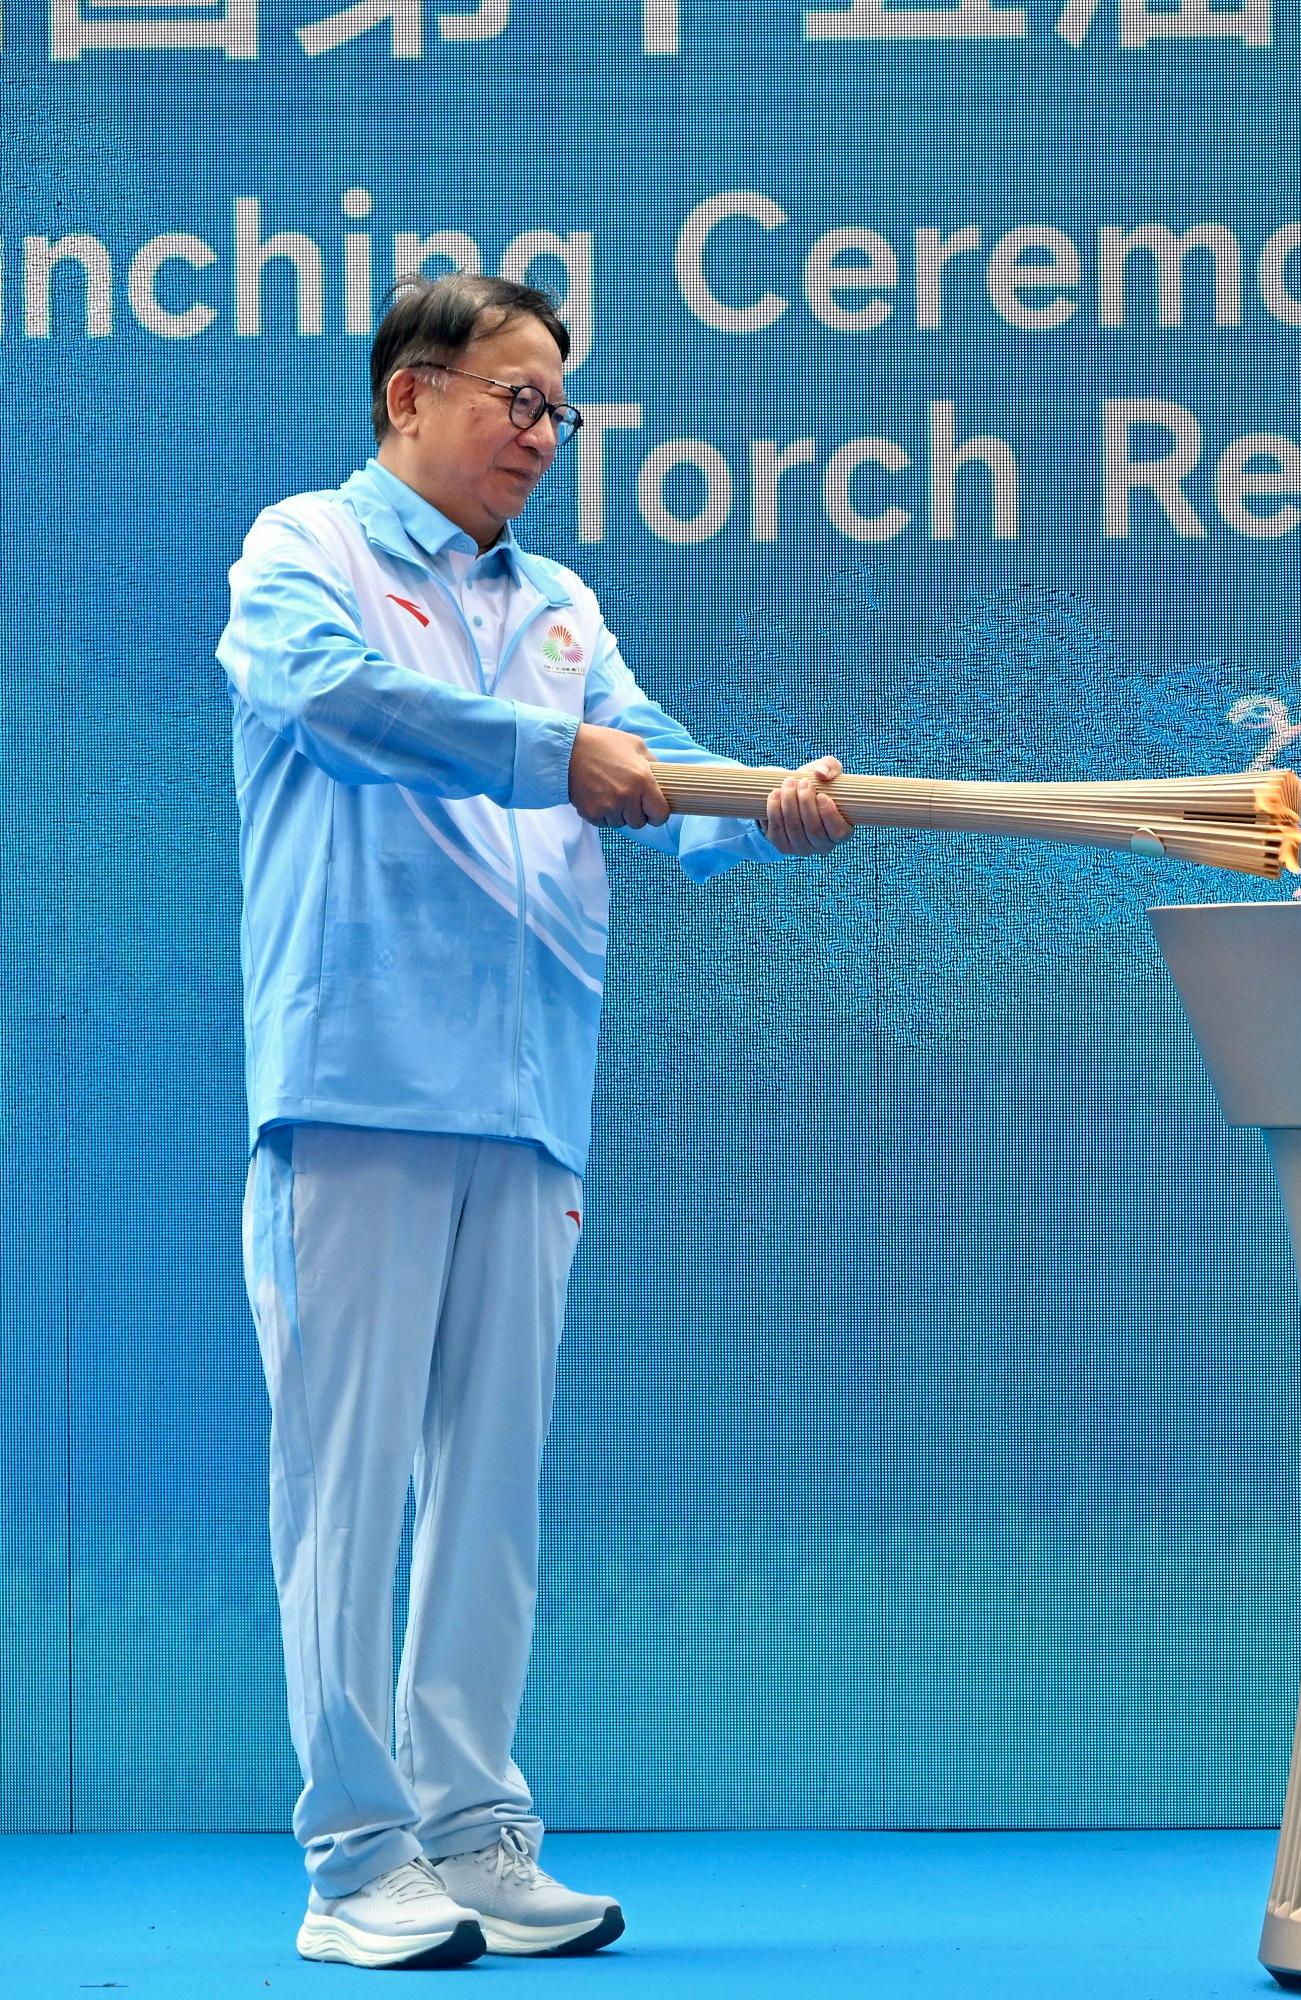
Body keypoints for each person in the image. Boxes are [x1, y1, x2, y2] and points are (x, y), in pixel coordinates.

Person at [221, 273, 857, 1970]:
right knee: (347, 1487)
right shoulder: (303, 552)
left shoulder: (560, 606)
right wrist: (554, 757)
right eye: (516, 399)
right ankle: (355, 1859)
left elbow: (652, 770)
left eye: (559, 410)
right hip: (359, 1078)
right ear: (408, 396)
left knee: (490, 1488)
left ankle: (473, 1829)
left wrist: (764, 807)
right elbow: (343, 705)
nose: (542, 434)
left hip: (525, 1096)